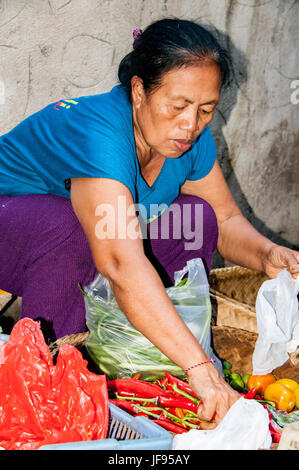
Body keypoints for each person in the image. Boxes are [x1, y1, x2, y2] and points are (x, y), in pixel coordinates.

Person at [0, 18, 298, 429]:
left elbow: (227, 219)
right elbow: (120, 263)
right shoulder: (100, 132)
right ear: (139, 91)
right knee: (74, 225)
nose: (190, 125)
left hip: (89, 244)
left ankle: (146, 370)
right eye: (177, 107)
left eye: (206, 110)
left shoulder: (188, 138)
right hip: (13, 228)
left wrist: (267, 254)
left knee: (195, 217)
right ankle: (51, 380)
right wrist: (202, 365)